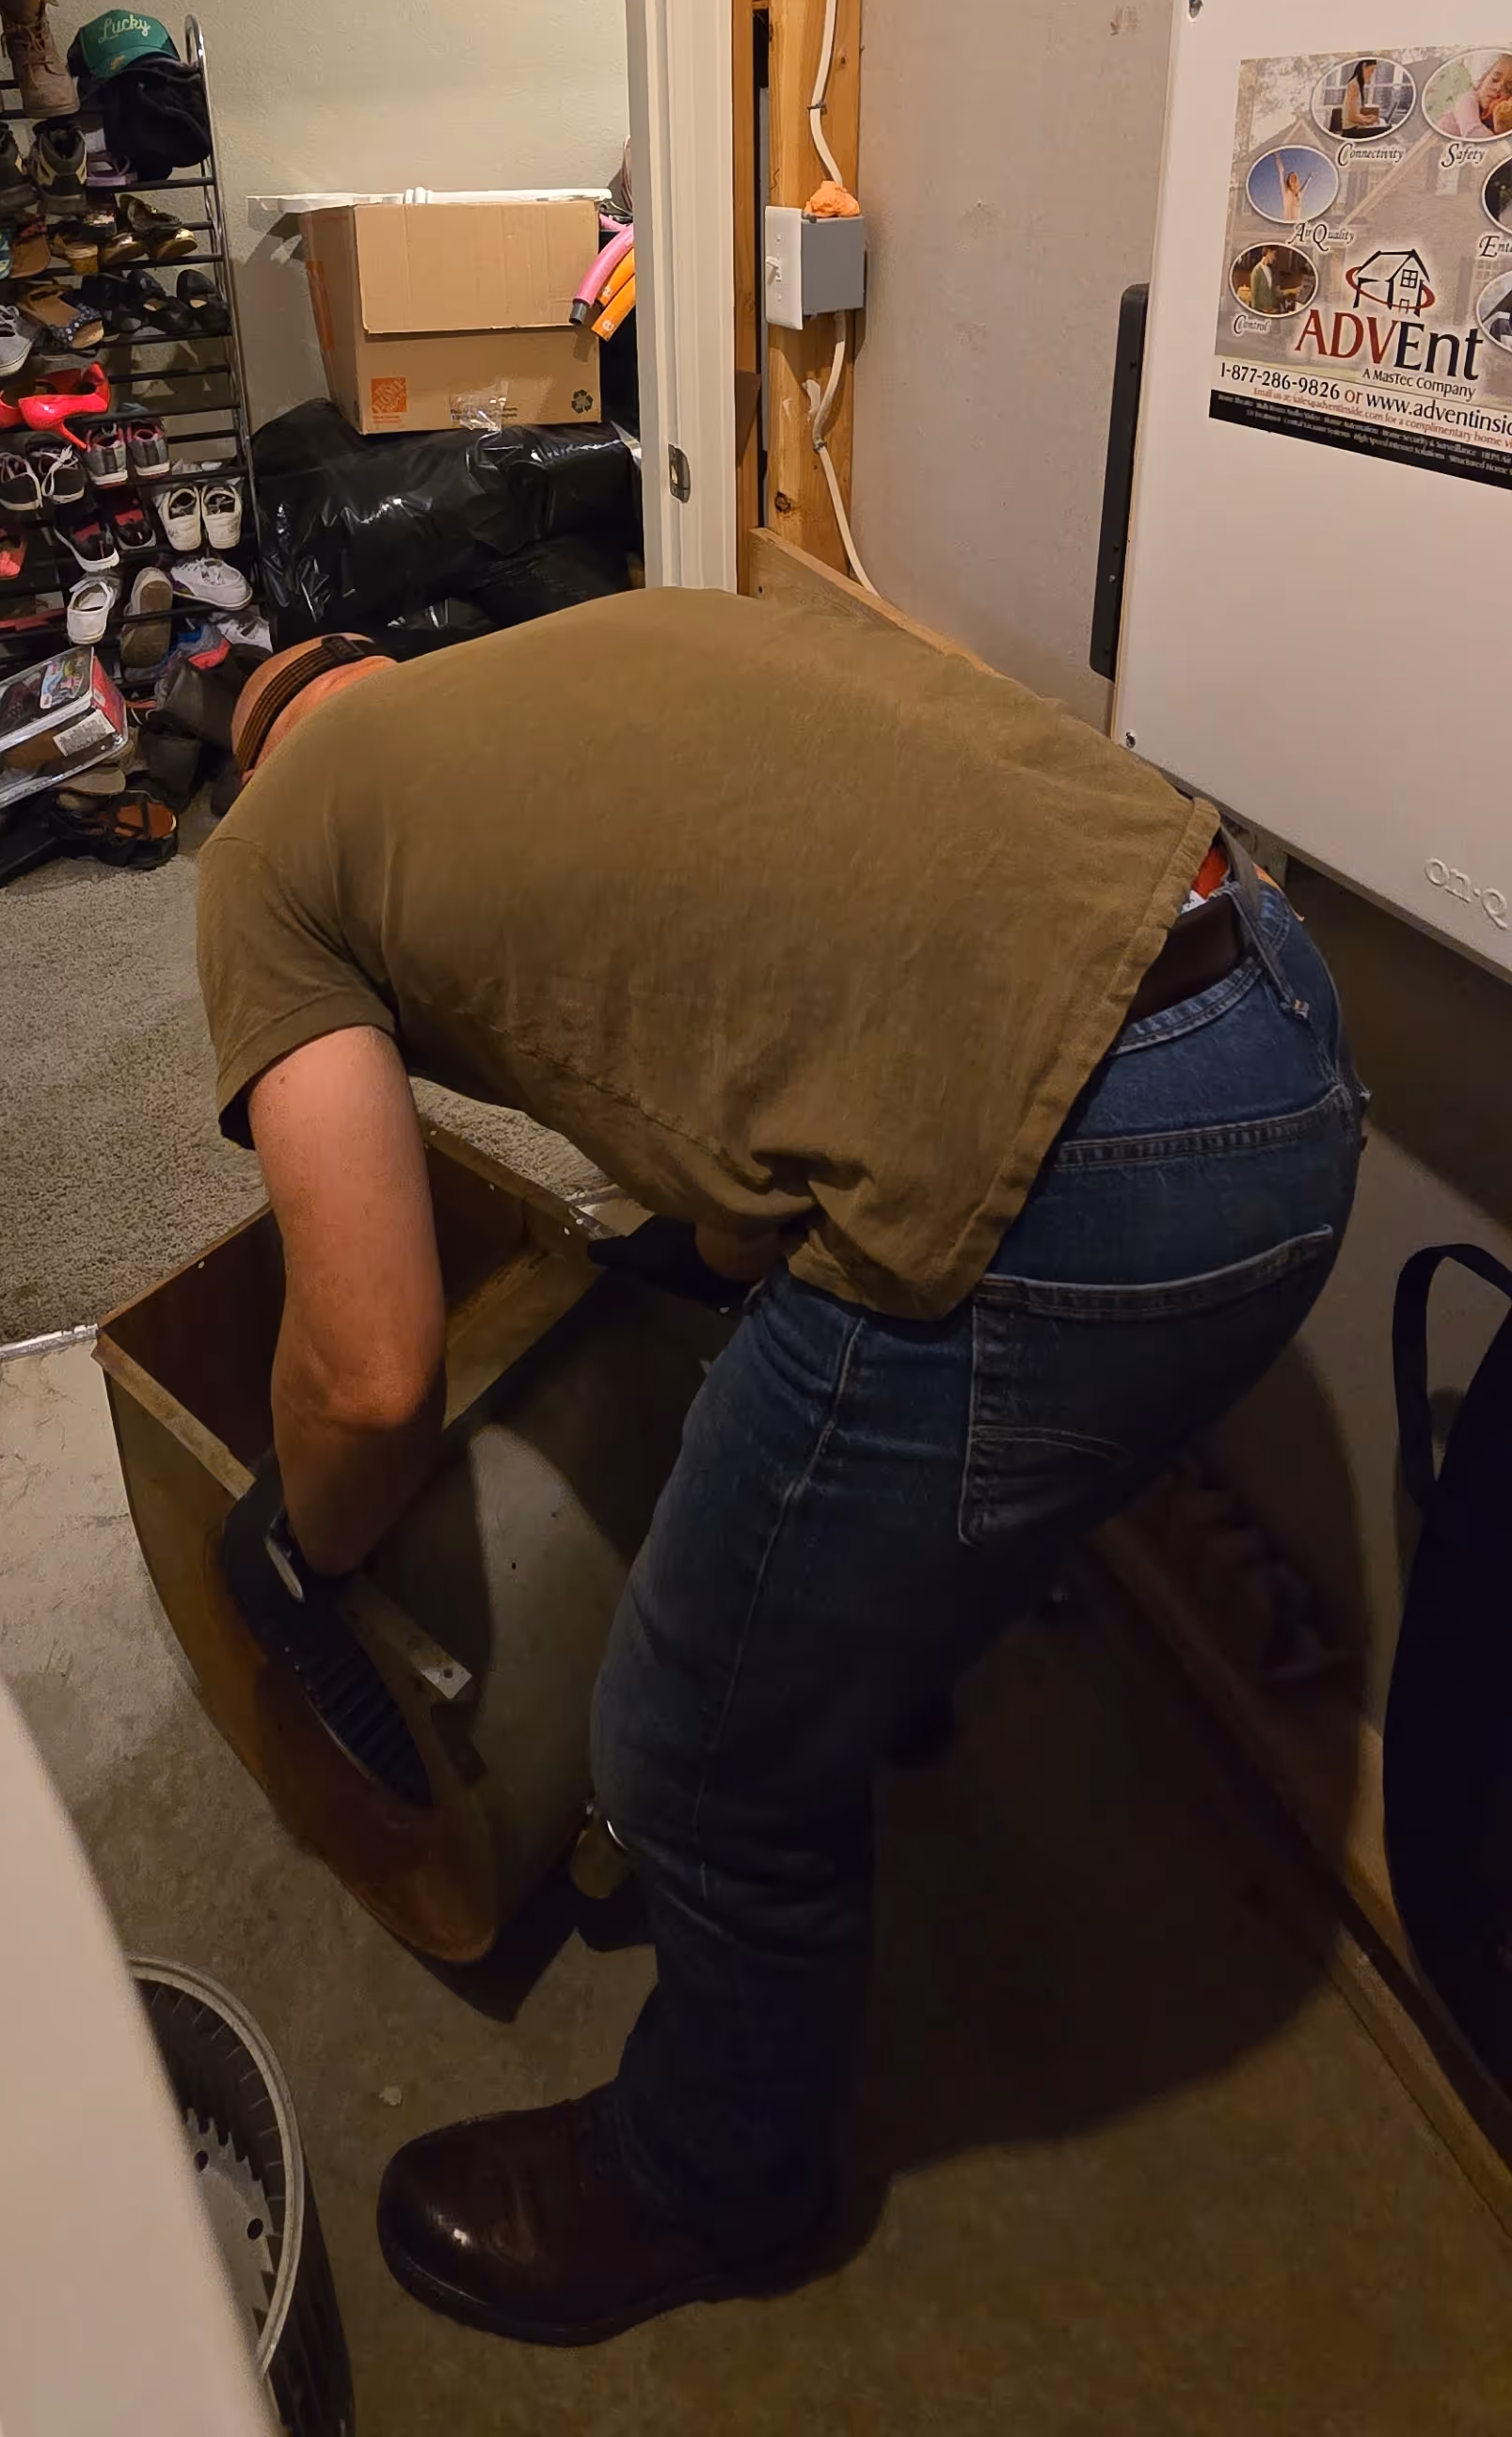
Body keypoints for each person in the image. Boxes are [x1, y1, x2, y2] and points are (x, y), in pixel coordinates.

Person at [194, 590, 1364, 2349]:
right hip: (1270, 999)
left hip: (1095, 1175)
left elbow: (369, 1376)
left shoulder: (271, 855)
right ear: (391, 676)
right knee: (783, 1379)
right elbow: (761, 1012)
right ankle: (871, 1655)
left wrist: (305, 1548)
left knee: (685, 1750)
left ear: (261, 757)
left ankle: (718, 2179)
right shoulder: (612, 641)